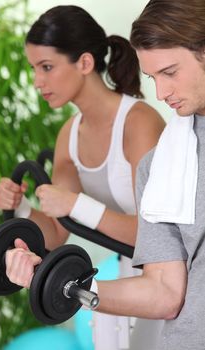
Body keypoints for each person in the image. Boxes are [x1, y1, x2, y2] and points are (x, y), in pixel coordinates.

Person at [0, 5, 165, 350]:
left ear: (85, 63)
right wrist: (22, 208)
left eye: (46, 67)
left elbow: (156, 236)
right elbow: (57, 234)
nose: (37, 81)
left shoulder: (139, 123)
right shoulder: (69, 136)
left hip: (168, 283)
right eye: (33, 69)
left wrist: (77, 204)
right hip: (125, 280)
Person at [94, 1, 205, 349]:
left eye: (170, 72)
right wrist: (66, 285)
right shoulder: (159, 166)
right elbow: (165, 291)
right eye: (153, 77)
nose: (161, 93)